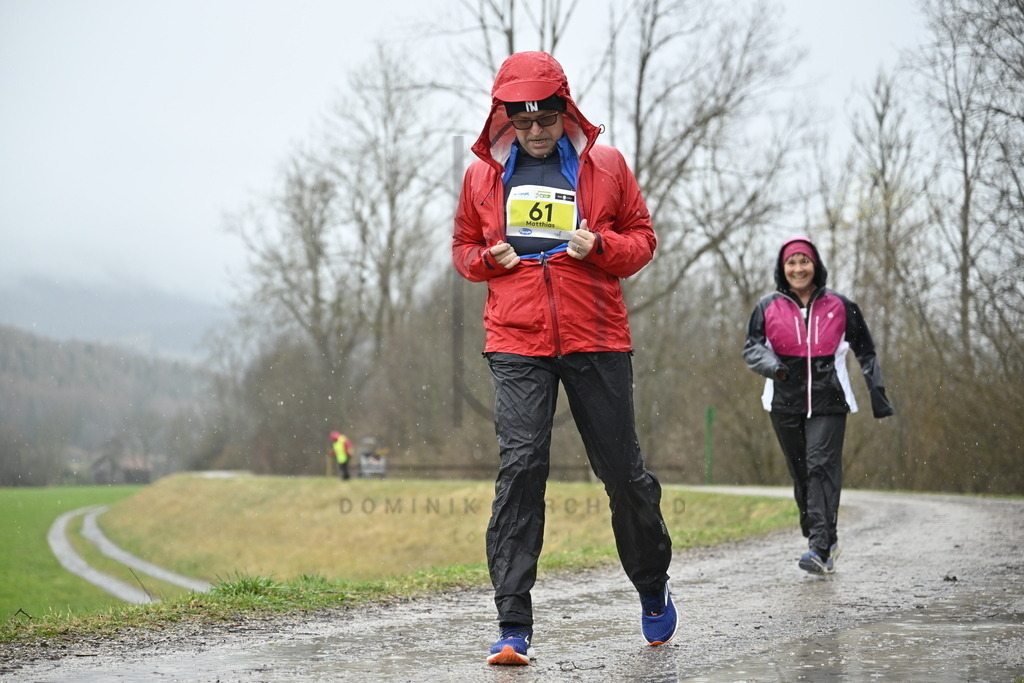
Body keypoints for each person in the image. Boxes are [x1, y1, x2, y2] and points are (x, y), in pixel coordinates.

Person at [452, 51, 676, 666]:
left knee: (622, 476)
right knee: (521, 467)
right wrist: (486, 259)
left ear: (564, 110)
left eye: (545, 118)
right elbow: (463, 249)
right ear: (504, 119)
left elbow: (643, 240)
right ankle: (512, 624)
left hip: (596, 337)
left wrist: (599, 245)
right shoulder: (482, 177)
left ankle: (652, 586)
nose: (535, 130)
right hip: (517, 341)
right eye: (522, 121)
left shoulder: (607, 166)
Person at [743, 236, 894, 575]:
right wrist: (774, 366)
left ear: (816, 265)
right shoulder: (767, 306)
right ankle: (823, 537)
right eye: (791, 262)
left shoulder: (841, 306)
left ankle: (818, 548)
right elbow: (751, 348)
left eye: (804, 261)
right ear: (783, 268)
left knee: (820, 468)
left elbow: (866, 351)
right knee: (801, 475)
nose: (798, 268)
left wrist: (878, 394)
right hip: (783, 401)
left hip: (829, 399)